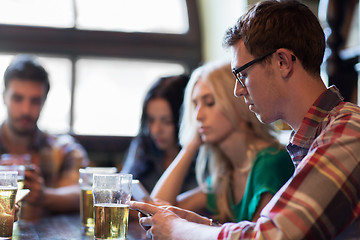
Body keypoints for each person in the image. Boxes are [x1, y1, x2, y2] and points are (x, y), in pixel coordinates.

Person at [130, 0, 360, 239]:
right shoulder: (315, 139)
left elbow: (271, 236)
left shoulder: (349, 129)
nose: (237, 91)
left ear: (283, 62)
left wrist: (178, 229)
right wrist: (205, 228)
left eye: (243, 74)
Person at [150, 61, 294, 223]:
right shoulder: (228, 173)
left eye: (209, 103)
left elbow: (256, 235)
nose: (198, 116)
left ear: (238, 103)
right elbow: (156, 210)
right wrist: (190, 147)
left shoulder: (271, 161)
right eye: (196, 105)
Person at [0, 54, 89, 221]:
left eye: (35, 101)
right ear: (4, 96)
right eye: (18, 98)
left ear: (44, 100)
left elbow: (80, 193)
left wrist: (43, 195)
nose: (26, 109)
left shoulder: (64, 149)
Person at [121, 74, 197, 193]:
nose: (155, 130)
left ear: (184, 120)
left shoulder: (200, 156)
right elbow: (122, 192)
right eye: (151, 120)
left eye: (167, 121)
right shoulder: (143, 146)